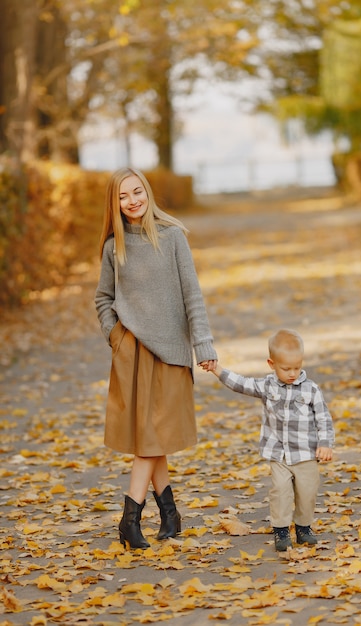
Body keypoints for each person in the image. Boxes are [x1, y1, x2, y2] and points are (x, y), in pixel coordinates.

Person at [95, 167, 217, 550]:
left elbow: (191, 296)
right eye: (122, 196)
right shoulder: (113, 247)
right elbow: (103, 299)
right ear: (114, 203)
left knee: (152, 437)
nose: (132, 201)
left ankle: (131, 518)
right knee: (151, 436)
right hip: (133, 353)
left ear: (147, 192)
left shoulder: (173, 238)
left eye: (137, 192)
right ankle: (168, 515)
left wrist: (204, 345)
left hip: (171, 353)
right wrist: (116, 336)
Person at [202, 329, 334, 552]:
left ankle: (303, 527)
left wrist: (325, 443)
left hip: (305, 453)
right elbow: (241, 383)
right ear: (271, 364)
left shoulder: (311, 389)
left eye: (297, 367)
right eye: (286, 368)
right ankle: (281, 530)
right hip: (279, 453)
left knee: (307, 492)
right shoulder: (267, 386)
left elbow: (323, 418)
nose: (292, 373)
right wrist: (217, 369)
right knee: (280, 491)